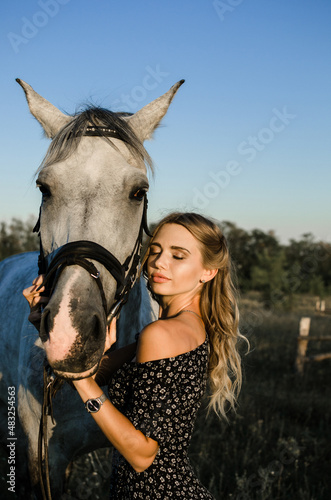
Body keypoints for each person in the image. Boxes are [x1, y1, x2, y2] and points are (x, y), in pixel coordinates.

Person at [24, 212, 246, 499]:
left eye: (178, 256)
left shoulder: (162, 334)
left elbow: (143, 455)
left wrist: (83, 383)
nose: (158, 262)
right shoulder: (182, 328)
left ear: (208, 271)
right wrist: (45, 326)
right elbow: (92, 374)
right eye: (155, 250)